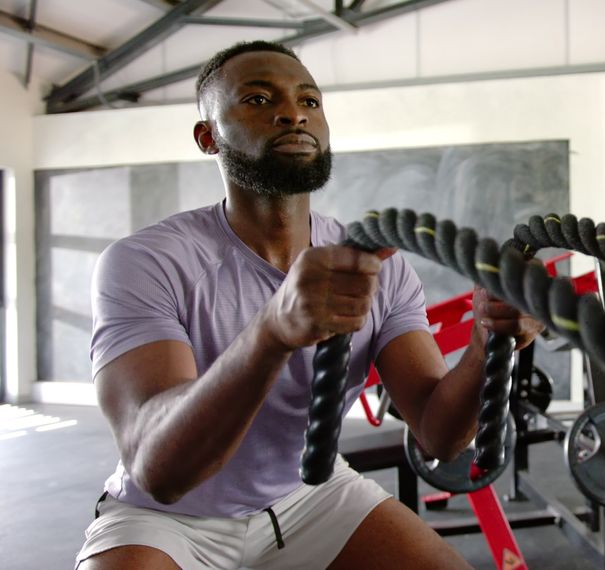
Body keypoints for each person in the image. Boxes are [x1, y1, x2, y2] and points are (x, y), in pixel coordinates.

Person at [76, 40, 542, 569]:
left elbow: (440, 436)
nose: (292, 113)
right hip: (168, 518)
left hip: (306, 495)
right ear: (208, 137)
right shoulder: (145, 261)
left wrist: (485, 345)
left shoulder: (378, 264)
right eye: (257, 99)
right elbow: (158, 471)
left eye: (309, 101)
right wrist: (272, 331)